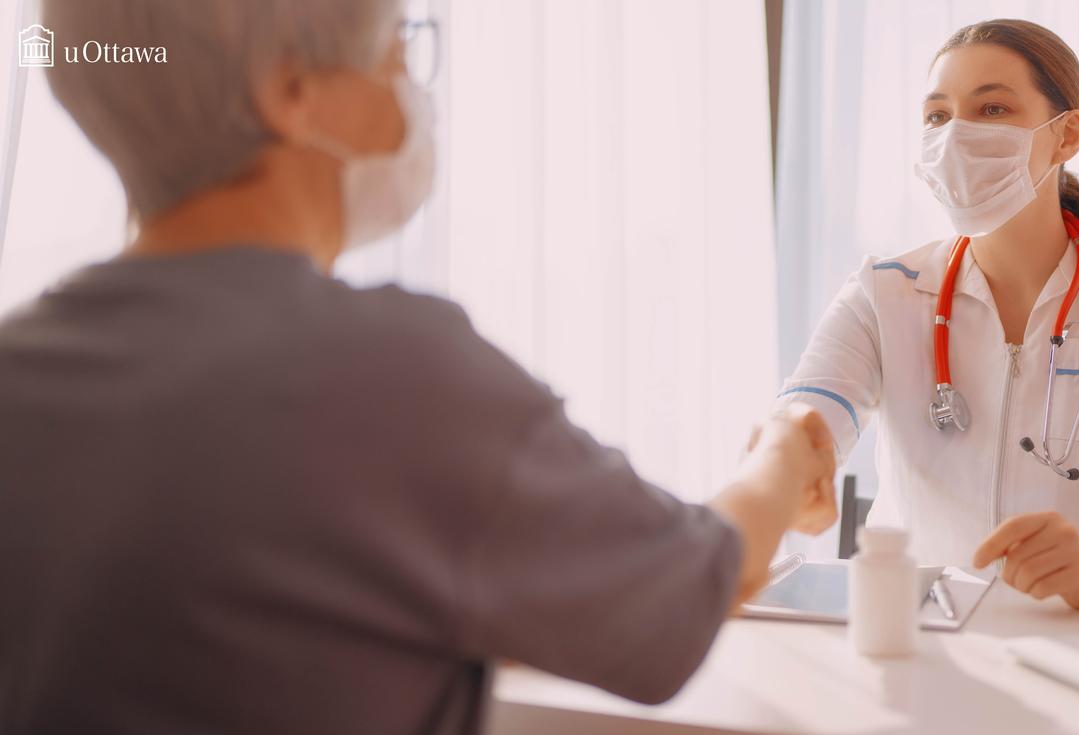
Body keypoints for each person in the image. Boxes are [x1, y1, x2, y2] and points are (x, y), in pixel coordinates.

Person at [0, 1, 837, 733]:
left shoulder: (20, 368)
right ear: (290, 90)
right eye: (396, 47)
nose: (410, 86)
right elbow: (685, 589)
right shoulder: (392, 375)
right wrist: (783, 453)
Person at [775, 19, 1079, 610]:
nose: (956, 136)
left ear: (1067, 134)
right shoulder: (882, 294)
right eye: (938, 116)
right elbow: (804, 422)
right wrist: (785, 463)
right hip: (915, 639)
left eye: (992, 109)